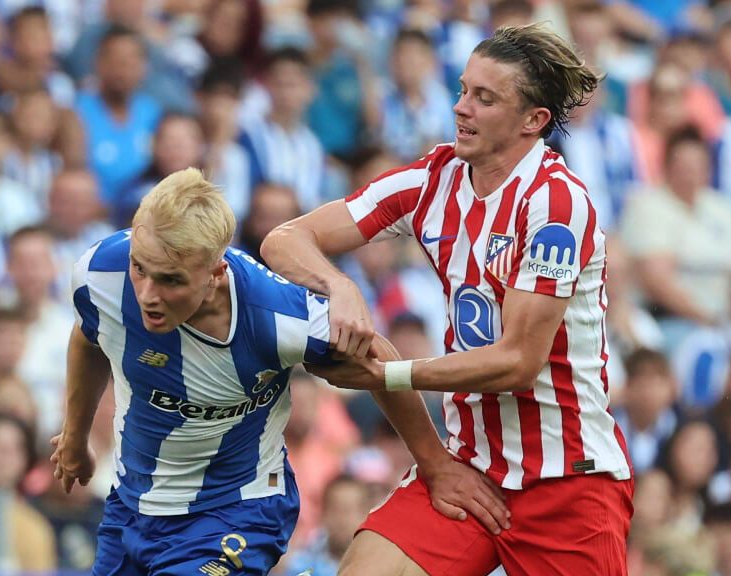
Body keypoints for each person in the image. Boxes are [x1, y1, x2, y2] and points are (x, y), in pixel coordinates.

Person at [262, 23, 633, 576]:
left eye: (485, 98)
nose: (461, 108)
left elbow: (517, 362)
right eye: (462, 90)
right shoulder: (433, 179)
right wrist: (340, 285)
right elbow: (285, 239)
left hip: (566, 480)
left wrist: (386, 375)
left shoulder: (557, 206)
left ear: (533, 121)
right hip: (468, 467)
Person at [49, 168, 505, 575]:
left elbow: (378, 358)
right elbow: (89, 338)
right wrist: (74, 435)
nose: (148, 293)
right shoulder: (98, 275)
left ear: (215, 274)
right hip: (132, 505)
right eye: (140, 268)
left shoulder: (277, 317)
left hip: (236, 509)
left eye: (171, 279)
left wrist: (435, 465)